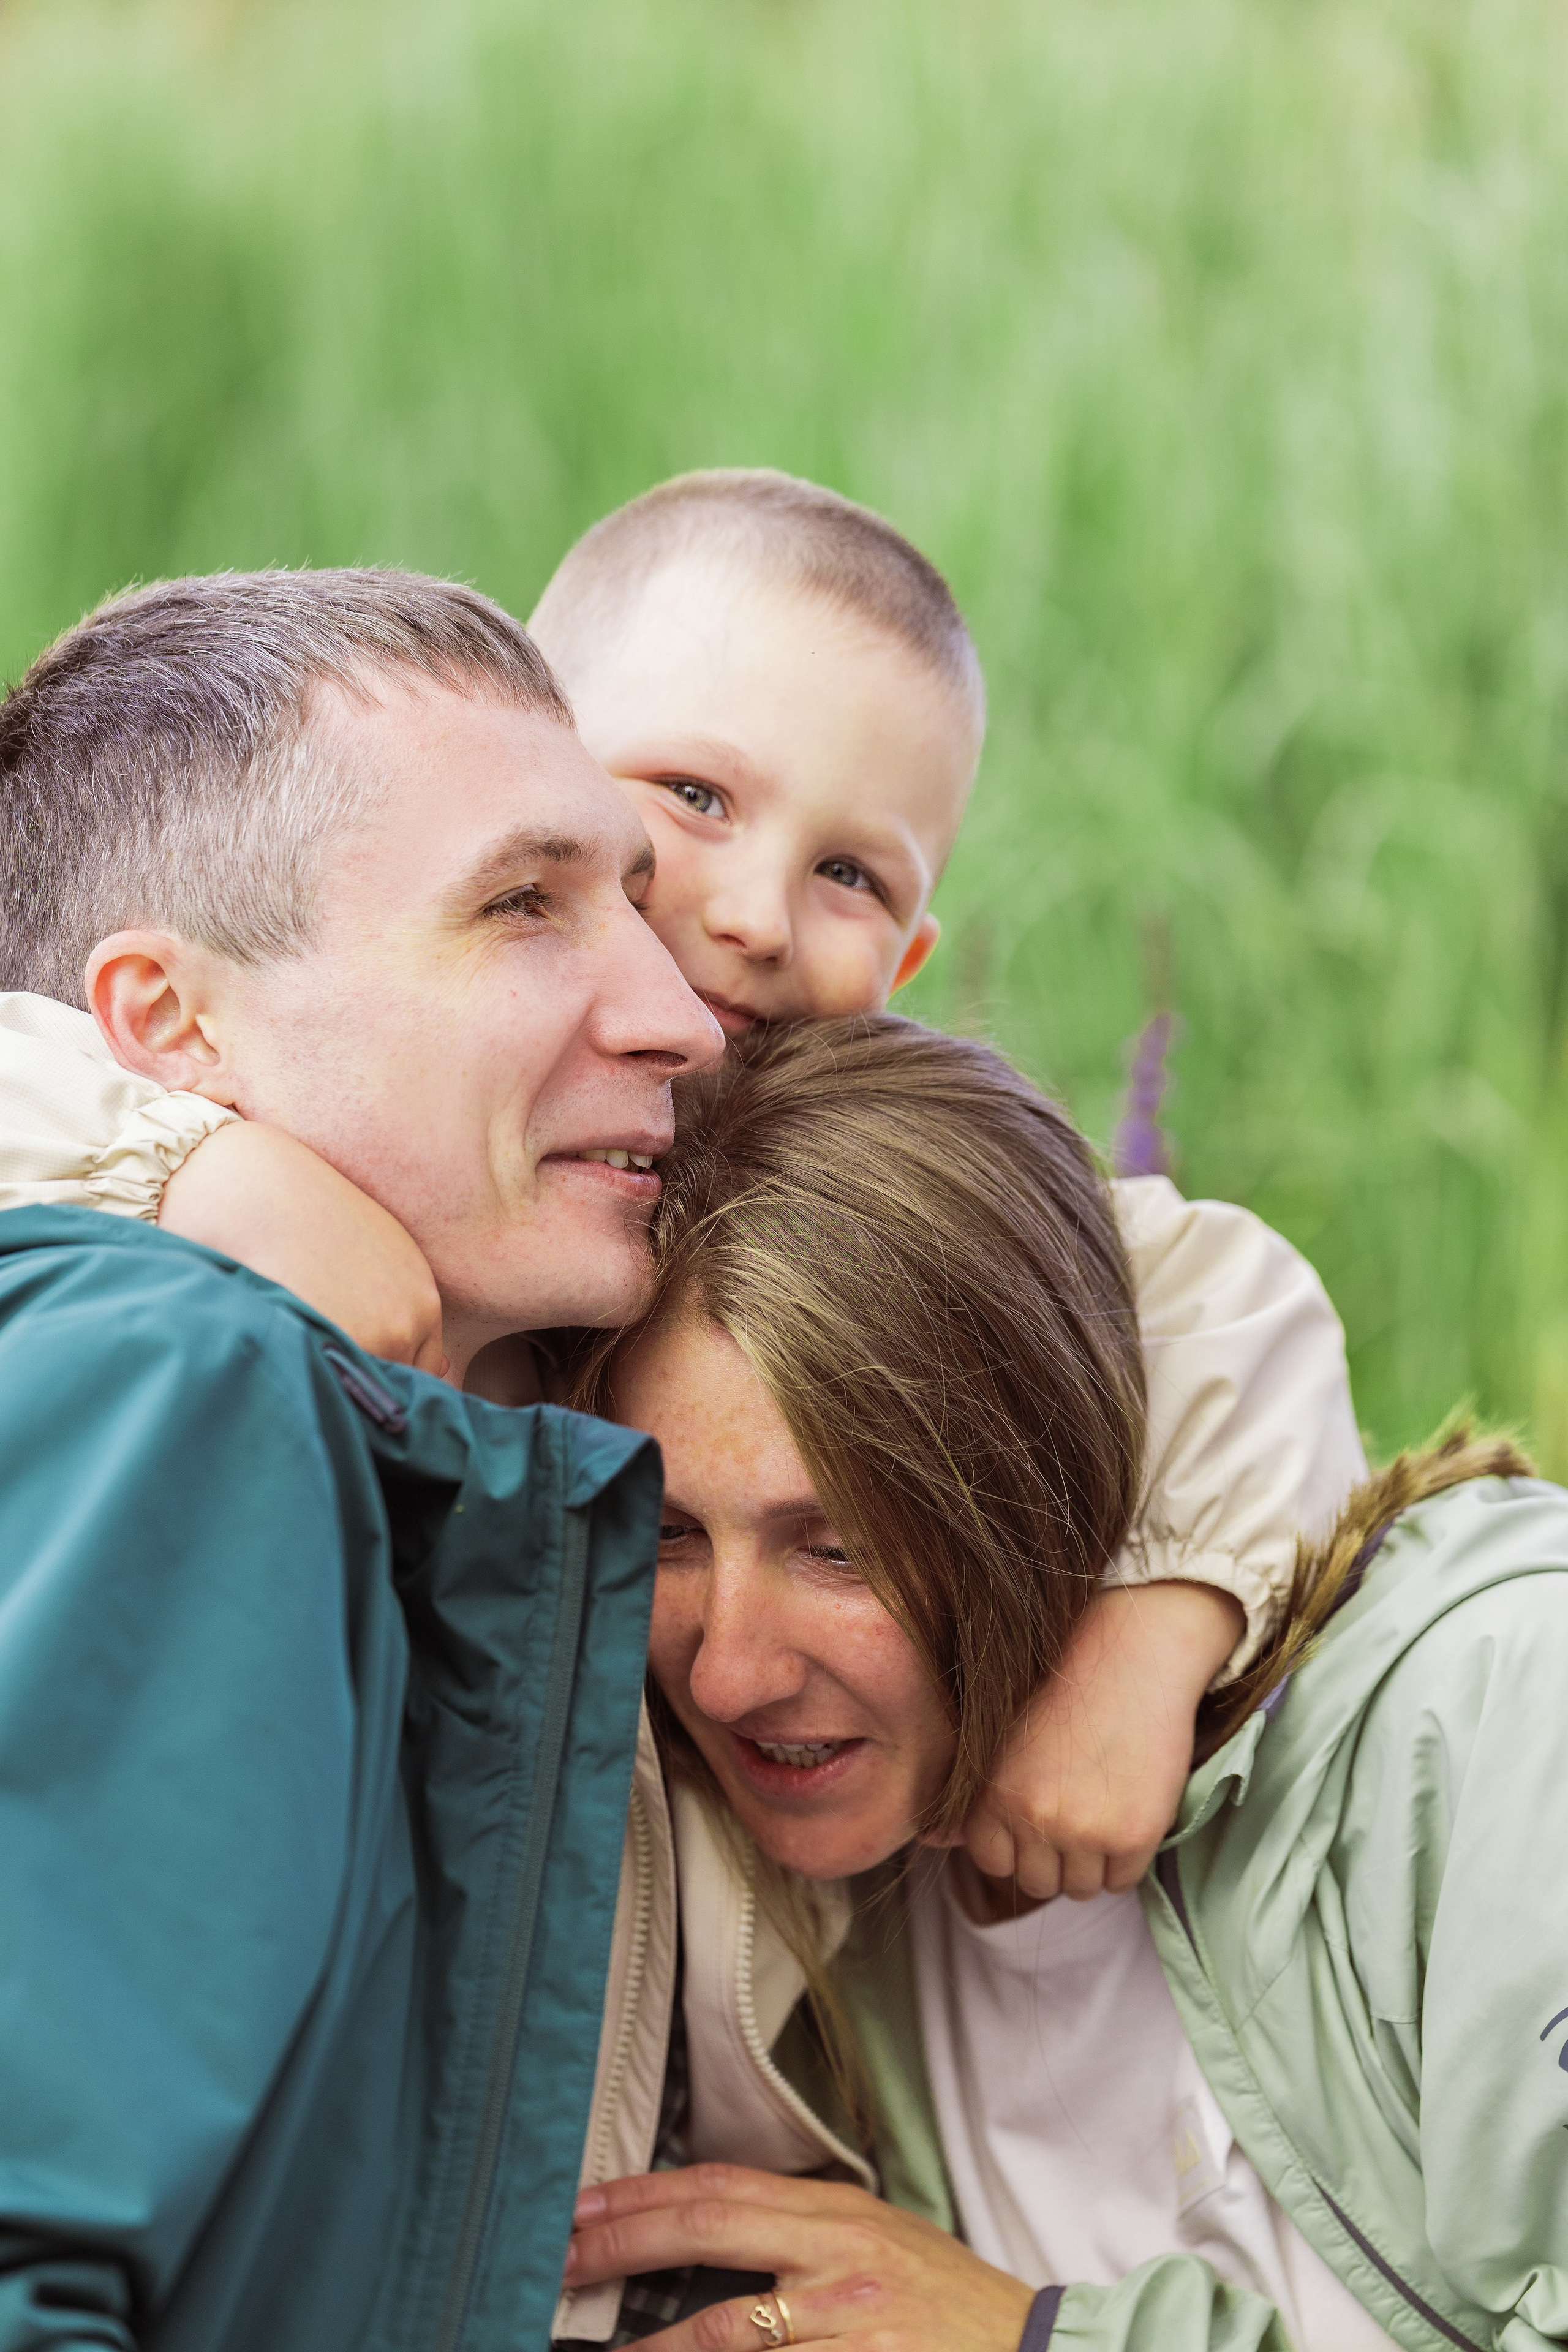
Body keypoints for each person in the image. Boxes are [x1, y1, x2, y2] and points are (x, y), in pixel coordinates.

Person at [0, 471, 1368, 1918]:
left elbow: (1214, 1291)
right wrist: (189, 1165)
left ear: (904, 971)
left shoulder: (837, 1189)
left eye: (849, 874)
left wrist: (1147, 1638)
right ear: (540, 774)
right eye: (694, 802)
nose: (751, 918)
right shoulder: (374, 1132)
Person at [559, 1015, 1559, 2352]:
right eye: (667, 1536)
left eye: (842, 1547)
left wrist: (1040, 2338)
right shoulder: (795, 1919)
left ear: (1044, 1478)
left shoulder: (1497, 1710)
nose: (728, 1672)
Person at [0, 568, 723, 2352]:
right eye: (521, 908)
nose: (681, 1013)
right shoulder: (184, 1379)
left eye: (636, 900)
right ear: (168, 1029)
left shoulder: (401, 1429)